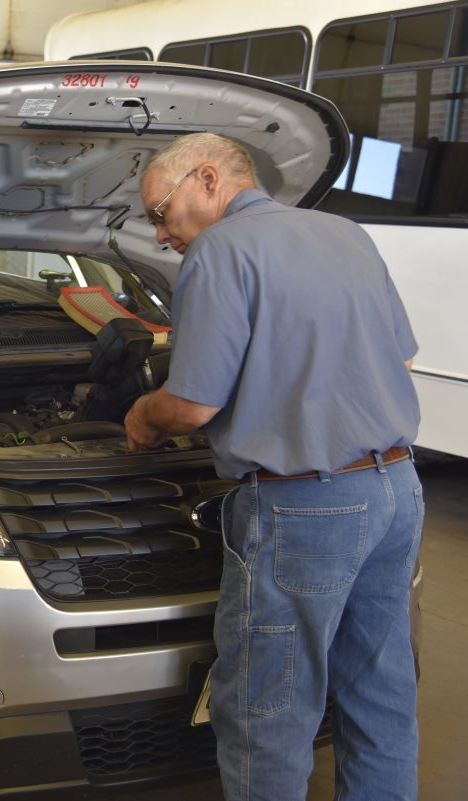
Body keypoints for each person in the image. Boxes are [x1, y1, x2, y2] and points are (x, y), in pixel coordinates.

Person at [124, 132, 423, 801]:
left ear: (207, 179)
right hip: (396, 490)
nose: (163, 235)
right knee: (379, 693)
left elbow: (195, 406)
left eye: (159, 214)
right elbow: (398, 361)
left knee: (269, 706)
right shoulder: (346, 234)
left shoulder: (220, 251)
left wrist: (143, 414)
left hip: (305, 509)